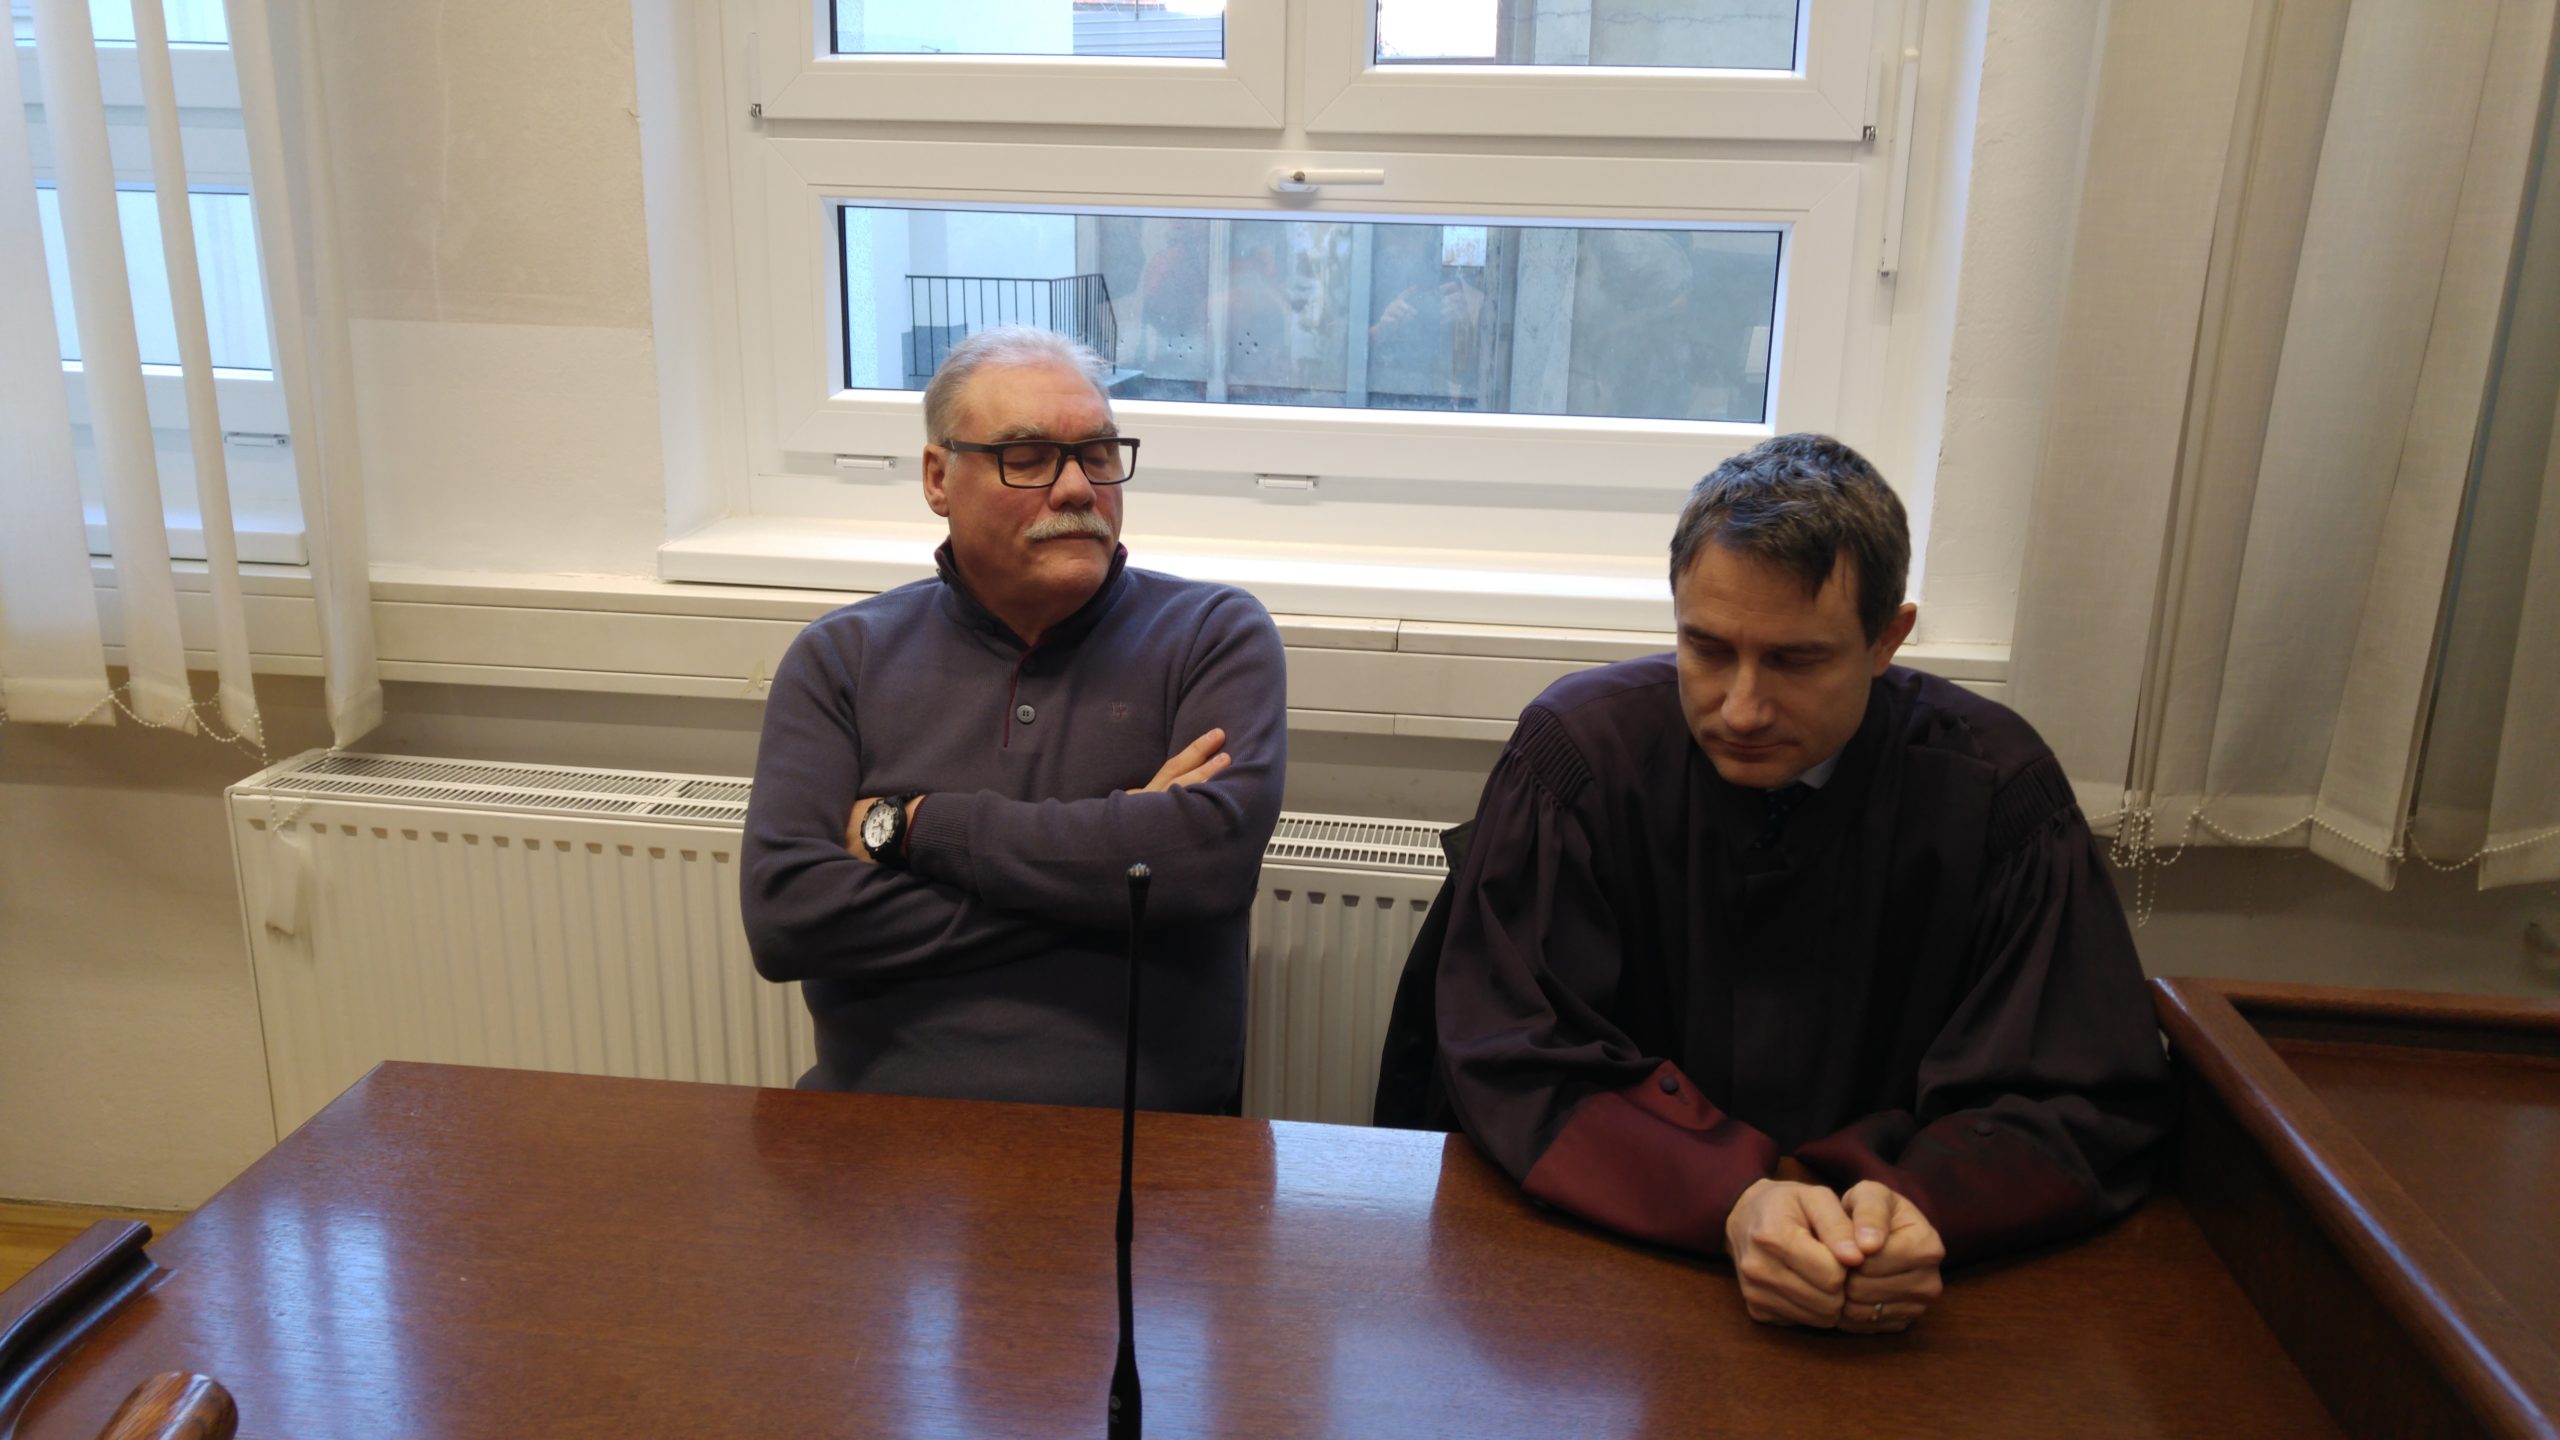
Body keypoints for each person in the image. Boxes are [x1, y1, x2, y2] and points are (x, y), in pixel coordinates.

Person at [1409, 433, 2171, 1334]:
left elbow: (2079, 1092)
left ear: (1887, 639)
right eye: (1706, 648)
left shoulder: (1996, 792)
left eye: (1796, 660)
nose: (1741, 709)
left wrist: (1916, 1204)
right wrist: (1728, 1194)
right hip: (1619, 1284)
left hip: (1894, 1284)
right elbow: (1510, 1053)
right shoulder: (1578, 759)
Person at [741, 326, 1287, 1113]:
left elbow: (1203, 866)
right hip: (879, 1139)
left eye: (1098, 454)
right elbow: (789, 919)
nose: (1077, 489)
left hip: (1147, 1149)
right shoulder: (841, 658)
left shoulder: (1213, 635)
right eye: (1027, 459)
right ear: (938, 477)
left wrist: (918, 827)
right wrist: (1118, 877)